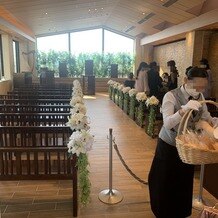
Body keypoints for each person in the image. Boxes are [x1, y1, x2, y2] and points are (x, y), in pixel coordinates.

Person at [148, 67, 218, 218]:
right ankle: (162, 212)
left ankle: (180, 212)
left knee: (183, 182)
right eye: (197, 86)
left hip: (188, 149)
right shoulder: (171, 96)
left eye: (203, 87)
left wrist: (214, 124)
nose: (200, 90)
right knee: (164, 181)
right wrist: (183, 110)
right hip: (169, 146)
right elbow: (167, 123)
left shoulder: (200, 97)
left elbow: (206, 117)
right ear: (186, 81)